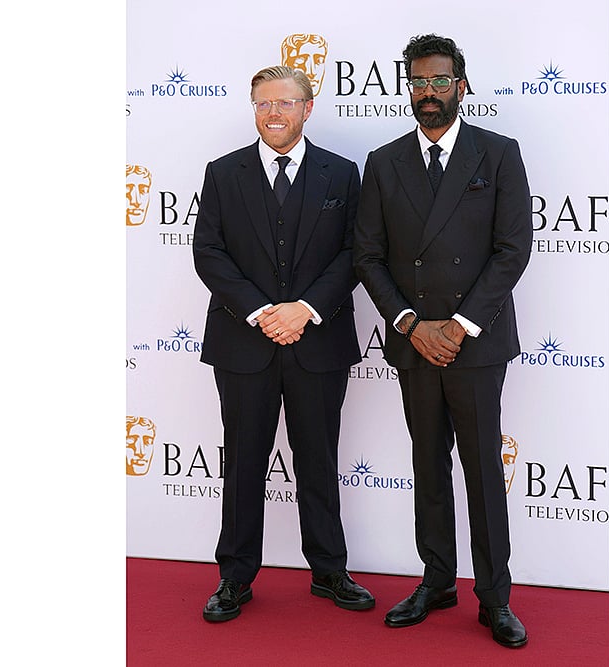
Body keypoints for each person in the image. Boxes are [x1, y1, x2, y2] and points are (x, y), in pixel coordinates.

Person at [353, 34, 532, 648]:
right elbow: (368, 256)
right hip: (413, 340)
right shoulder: (383, 161)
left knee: (482, 470)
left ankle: (494, 597)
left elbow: (513, 251)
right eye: (417, 82)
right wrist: (410, 322)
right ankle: (436, 580)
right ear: (408, 87)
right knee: (427, 465)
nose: (427, 93)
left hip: (474, 345)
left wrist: (458, 326)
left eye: (439, 82)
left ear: (462, 84)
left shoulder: (499, 154)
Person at [193, 65, 374, 623]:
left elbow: (355, 253)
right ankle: (235, 577)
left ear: (308, 107)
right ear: (253, 108)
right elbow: (209, 252)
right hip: (243, 342)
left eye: (286, 103)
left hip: (317, 341)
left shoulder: (342, 175)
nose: (274, 113)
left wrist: (306, 310)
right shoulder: (223, 173)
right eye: (263, 103)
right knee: (244, 462)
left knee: (318, 458)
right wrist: (261, 312)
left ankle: (329, 570)